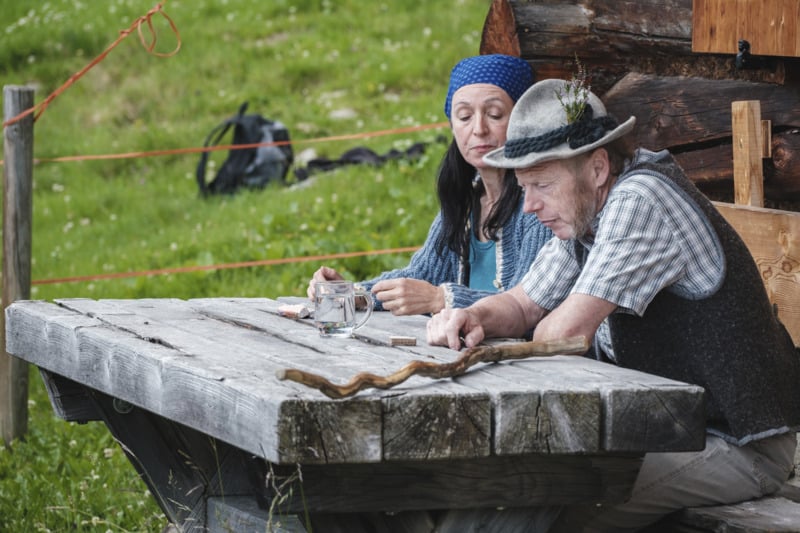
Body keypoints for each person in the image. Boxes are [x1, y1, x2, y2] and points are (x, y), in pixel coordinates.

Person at [427, 77, 800, 531]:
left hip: (737, 446)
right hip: (666, 430)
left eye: (542, 185)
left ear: (598, 167)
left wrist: (529, 327)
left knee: (547, 492)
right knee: (502, 483)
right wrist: (473, 315)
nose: (529, 206)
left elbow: (562, 336)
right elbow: (524, 305)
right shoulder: (585, 213)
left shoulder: (640, 201)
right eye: (524, 188)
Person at [307, 54, 554, 316]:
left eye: (494, 114)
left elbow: (528, 305)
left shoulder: (537, 206)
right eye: (464, 117)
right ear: (452, 127)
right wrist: (352, 293)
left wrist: (442, 299)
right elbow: (421, 275)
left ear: (520, 120)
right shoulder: (465, 199)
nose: (479, 129)